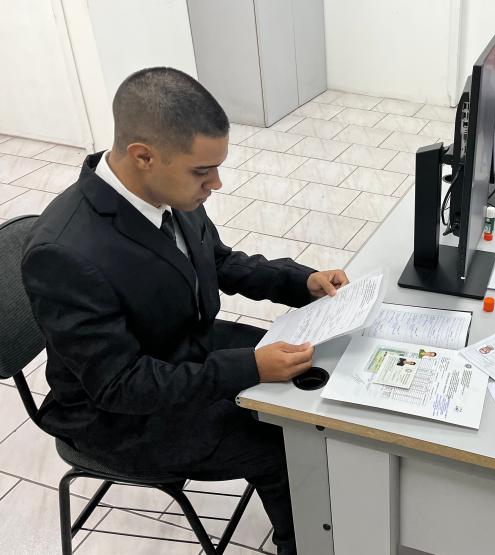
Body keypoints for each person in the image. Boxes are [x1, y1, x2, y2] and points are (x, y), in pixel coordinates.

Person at [21, 67, 347, 554]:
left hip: (182, 348)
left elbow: (218, 261)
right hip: (117, 416)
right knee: (286, 440)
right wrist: (248, 368)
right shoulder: (64, 253)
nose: (215, 183)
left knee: (315, 370)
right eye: (203, 171)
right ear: (143, 156)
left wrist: (300, 281)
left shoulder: (169, 191)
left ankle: (324, 516)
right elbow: (118, 385)